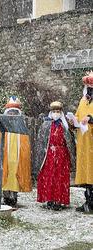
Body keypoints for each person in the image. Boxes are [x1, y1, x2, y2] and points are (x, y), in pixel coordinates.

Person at [35, 101, 75, 211]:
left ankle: (59, 200)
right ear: (51, 112)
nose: (56, 113)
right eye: (54, 111)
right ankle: (49, 199)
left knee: (60, 178)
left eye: (58, 111)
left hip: (62, 155)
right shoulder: (46, 125)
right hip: (49, 155)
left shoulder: (65, 126)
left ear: (61, 112)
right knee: (49, 177)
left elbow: (70, 142)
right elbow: (41, 141)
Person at [0, 96, 32, 207]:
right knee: (5, 173)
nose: (12, 115)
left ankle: (13, 196)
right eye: (10, 112)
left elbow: (25, 144)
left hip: (17, 157)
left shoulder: (22, 127)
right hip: (6, 156)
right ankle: (5, 196)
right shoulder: (2, 127)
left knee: (15, 176)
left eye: (15, 113)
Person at [72, 71, 93, 213]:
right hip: (84, 143)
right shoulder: (82, 100)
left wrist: (91, 118)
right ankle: (88, 201)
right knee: (86, 173)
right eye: (88, 86)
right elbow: (78, 116)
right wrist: (73, 122)